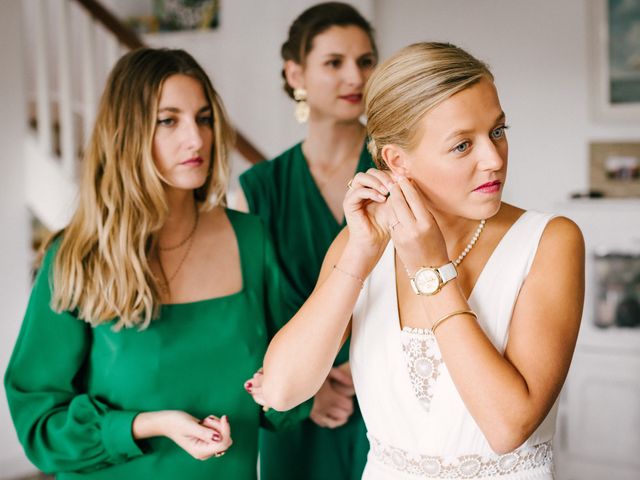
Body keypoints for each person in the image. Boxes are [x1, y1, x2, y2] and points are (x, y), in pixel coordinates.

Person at [260, 42, 585, 479]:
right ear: (397, 160)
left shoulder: (549, 241)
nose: (493, 160)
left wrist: (431, 268)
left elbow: (508, 426)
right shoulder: (361, 245)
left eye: (497, 132)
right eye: (461, 146)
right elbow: (281, 391)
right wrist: (358, 254)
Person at [4, 48, 300, 480]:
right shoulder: (79, 256)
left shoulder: (252, 239)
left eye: (203, 118)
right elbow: (40, 425)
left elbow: (287, 390)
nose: (196, 139)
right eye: (169, 120)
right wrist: (150, 425)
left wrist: (288, 392)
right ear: (127, 132)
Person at [236, 3, 378, 479]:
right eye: (334, 63)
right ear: (295, 72)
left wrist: (375, 363)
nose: (354, 76)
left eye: (365, 61)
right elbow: (247, 314)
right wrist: (304, 387)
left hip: (385, 396)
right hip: (298, 408)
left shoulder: (397, 171)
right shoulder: (258, 190)